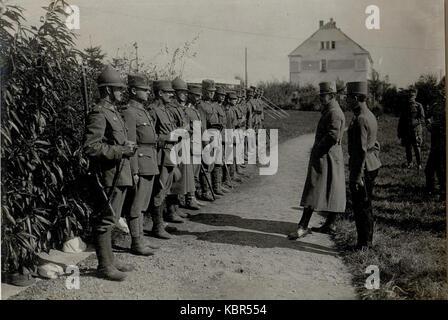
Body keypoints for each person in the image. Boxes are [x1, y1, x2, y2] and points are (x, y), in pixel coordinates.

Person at [84, 65, 136, 281]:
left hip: (119, 173)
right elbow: (91, 147)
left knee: (112, 218)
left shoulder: (112, 112)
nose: (122, 93)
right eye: (118, 89)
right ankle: (105, 266)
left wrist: (124, 147)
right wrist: (121, 150)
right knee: (106, 219)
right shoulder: (99, 113)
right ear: (107, 90)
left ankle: (110, 261)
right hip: (108, 175)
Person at [288, 82, 346, 240]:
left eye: (323, 95)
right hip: (330, 157)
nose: (321, 98)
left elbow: (332, 136)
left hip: (325, 156)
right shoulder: (331, 109)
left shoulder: (334, 112)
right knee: (333, 189)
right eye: (321, 95)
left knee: (313, 190)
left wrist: (317, 150)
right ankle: (330, 224)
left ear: (332, 95)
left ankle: (303, 227)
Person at [120, 74, 160, 256]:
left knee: (143, 203)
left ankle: (141, 238)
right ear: (134, 91)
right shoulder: (129, 112)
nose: (148, 92)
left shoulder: (142, 111)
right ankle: (136, 242)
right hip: (140, 161)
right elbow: (130, 143)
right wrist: (134, 170)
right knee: (136, 205)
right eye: (144, 89)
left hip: (150, 159)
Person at [346, 81, 381, 249]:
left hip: (363, 167)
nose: (346, 100)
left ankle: (364, 244)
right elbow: (374, 143)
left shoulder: (360, 118)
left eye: (347, 97)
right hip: (371, 164)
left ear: (355, 98)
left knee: (361, 207)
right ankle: (365, 241)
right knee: (365, 205)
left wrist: (357, 176)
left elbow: (360, 151)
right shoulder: (369, 115)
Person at [147, 80, 180, 239]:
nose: (171, 95)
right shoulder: (153, 111)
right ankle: (157, 226)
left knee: (165, 189)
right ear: (160, 93)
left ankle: (161, 223)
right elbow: (149, 138)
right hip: (160, 156)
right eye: (168, 92)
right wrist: (170, 137)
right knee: (159, 191)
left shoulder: (165, 110)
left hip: (169, 155)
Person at [168, 77, 198, 213]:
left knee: (184, 177)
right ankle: (172, 209)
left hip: (184, 145)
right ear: (174, 92)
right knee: (175, 178)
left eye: (186, 92)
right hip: (175, 146)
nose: (185, 95)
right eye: (181, 92)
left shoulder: (182, 108)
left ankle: (177, 206)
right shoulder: (170, 108)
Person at [197, 79, 221, 201]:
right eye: (209, 91)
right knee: (206, 164)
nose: (211, 93)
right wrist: (205, 142)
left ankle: (214, 188)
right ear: (204, 91)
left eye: (213, 91)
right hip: (207, 138)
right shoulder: (201, 106)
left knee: (213, 163)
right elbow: (202, 126)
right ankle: (205, 191)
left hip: (215, 136)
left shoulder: (212, 105)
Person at [184, 84, 205, 207]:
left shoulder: (195, 110)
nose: (198, 98)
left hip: (197, 145)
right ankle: (188, 199)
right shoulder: (186, 110)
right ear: (189, 95)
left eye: (200, 96)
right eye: (196, 95)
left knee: (195, 173)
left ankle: (193, 197)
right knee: (190, 173)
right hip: (190, 146)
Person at [424, 85, 446, 199]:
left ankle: (443, 192)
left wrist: (437, 126)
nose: (440, 93)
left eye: (443, 90)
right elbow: (426, 116)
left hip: (444, 142)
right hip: (435, 142)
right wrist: (428, 124)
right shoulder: (435, 106)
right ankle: (430, 191)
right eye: (440, 90)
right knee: (429, 169)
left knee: (442, 169)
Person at [397, 87, 425, 169]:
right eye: (409, 96)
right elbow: (401, 120)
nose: (410, 98)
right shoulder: (405, 106)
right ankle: (410, 163)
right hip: (406, 130)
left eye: (412, 96)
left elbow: (422, 118)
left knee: (417, 147)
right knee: (408, 147)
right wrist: (399, 131)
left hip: (416, 130)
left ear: (415, 96)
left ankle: (419, 164)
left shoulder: (419, 105)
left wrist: (415, 123)